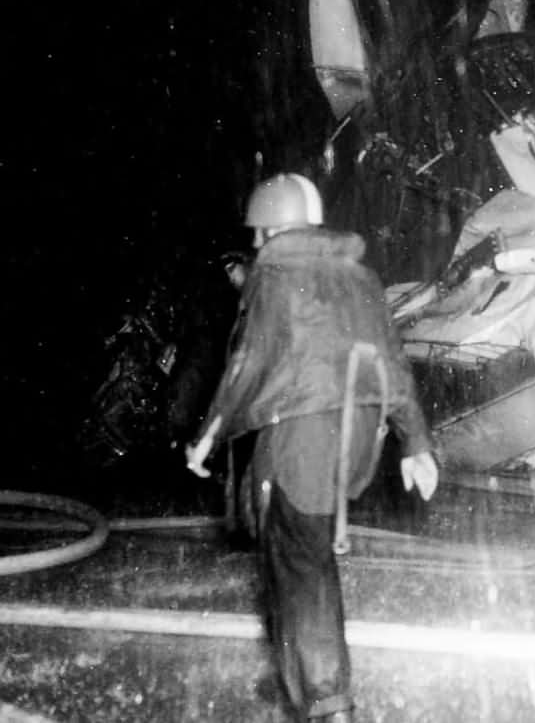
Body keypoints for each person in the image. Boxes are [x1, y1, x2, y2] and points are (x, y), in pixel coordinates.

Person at [186, 172, 438, 722]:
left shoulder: (272, 277)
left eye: (259, 233)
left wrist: (207, 435)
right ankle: (299, 679)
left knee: (297, 563)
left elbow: (247, 363)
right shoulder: (362, 277)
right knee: (307, 554)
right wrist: (416, 440)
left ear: (274, 228)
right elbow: (393, 363)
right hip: (356, 435)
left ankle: (326, 700)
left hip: (300, 437)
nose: (256, 245)